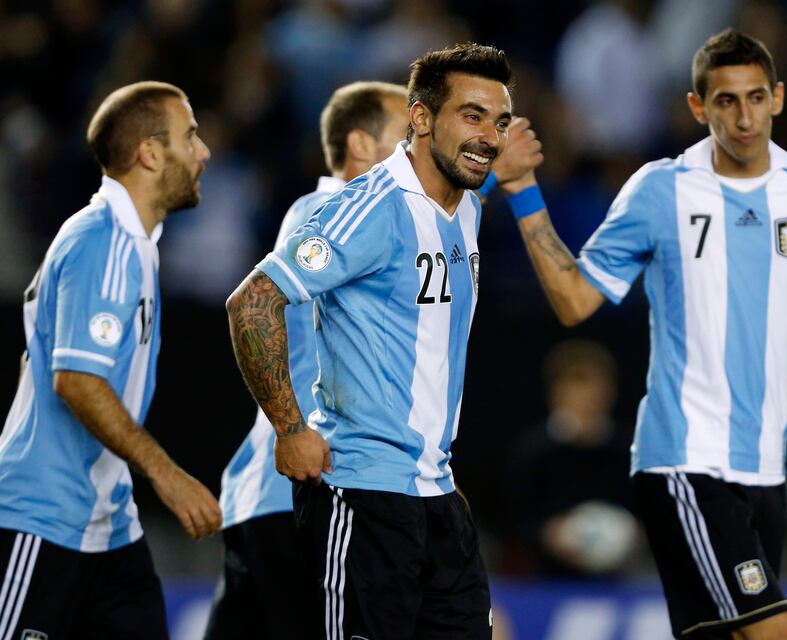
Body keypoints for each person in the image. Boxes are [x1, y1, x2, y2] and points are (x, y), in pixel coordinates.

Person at [497, 30, 787, 639]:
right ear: (697, 107)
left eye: (756, 98)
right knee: (775, 634)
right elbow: (576, 300)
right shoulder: (661, 190)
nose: (744, 117)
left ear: (779, 98)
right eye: (727, 102)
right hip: (683, 460)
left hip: (765, 470)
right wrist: (524, 194)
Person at [225, 43, 523, 639]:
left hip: (436, 495)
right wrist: (289, 428)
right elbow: (253, 301)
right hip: (361, 494)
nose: (490, 136)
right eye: (471, 115)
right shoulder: (369, 206)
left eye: (500, 121)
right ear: (419, 118)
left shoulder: (465, 209)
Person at [0, 81, 220, 638]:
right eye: (189, 136)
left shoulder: (135, 243)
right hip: (43, 516)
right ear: (149, 152)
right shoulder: (105, 243)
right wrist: (166, 475)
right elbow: (76, 380)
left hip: (106, 522)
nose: (204, 152)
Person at [205, 80, 409, 638]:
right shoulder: (333, 211)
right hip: (307, 491)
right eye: (406, 135)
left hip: (261, 495)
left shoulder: (311, 213)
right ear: (362, 146)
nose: (419, 149)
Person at [507, 339, 640, 578]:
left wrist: (632, 534)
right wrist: (548, 535)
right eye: (577, 387)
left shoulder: (629, 450)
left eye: (593, 389)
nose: (586, 399)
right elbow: (512, 519)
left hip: (620, 580)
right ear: (556, 393)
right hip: (547, 582)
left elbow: (650, 513)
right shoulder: (533, 452)